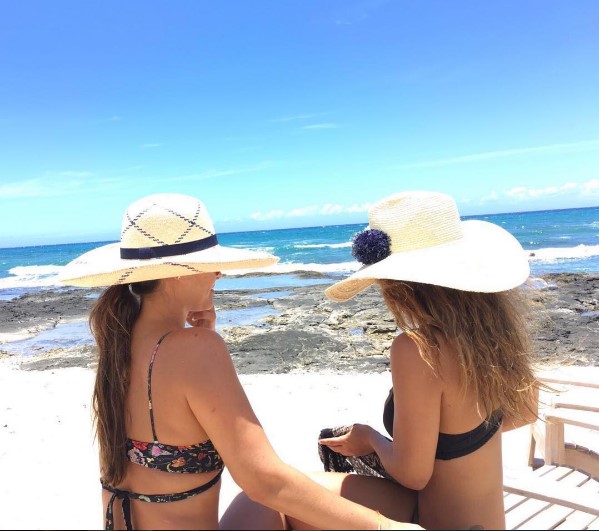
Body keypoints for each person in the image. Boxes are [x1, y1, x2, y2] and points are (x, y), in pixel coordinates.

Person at [59, 193, 419, 531]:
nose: (218, 275)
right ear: (179, 271)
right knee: (385, 510)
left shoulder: (119, 342)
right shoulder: (194, 349)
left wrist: (201, 336)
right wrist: (387, 527)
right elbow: (264, 481)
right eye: (211, 265)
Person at [314, 190, 540, 530]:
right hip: (484, 521)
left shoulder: (419, 349)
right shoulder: (491, 335)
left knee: (274, 502)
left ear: (398, 286)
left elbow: (413, 474)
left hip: (437, 523)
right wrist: (455, 440)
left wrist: (370, 438)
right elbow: (525, 412)